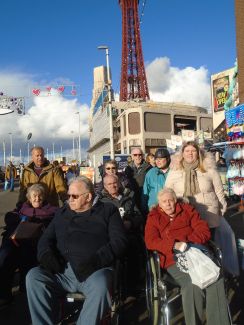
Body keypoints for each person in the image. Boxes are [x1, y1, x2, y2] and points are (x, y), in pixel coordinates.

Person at [26, 176, 128, 325]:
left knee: (101, 284)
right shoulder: (62, 213)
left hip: (95, 271)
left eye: (74, 196)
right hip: (63, 271)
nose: (69, 199)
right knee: (34, 276)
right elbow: (45, 239)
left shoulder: (107, 211)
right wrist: (47, 256)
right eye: (68, 196)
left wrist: (96, 261)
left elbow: (119, 241)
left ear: (88, 197)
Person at [145, 188, 231, 325]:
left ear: (176, 200)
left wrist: (186, 241)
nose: (168, 204)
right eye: (164, 202)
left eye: (171, 200)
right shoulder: (154, 217)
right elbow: (151, 241)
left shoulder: (187, 210)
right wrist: (173, 245)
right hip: (172, 259)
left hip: (195, 253)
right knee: (191, 284)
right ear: (159, 204)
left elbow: (204, 231)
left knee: (216, 278)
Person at [0, 184, 57, 308]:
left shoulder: (52, 211)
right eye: (34, 196)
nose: (37, 198)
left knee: (29, 255)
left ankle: (27, 289)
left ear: (44, 197)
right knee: (5, 256)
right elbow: (9, 219)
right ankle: (5, 294)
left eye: (40, 196)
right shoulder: (21, 209)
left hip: (38, 244)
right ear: (29, 199)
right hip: (18, 243)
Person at [165, 141, 227, 239]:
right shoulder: (174, 171)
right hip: (183, 215)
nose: (190, 153)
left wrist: (222, 208)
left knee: (209, 245)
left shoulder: (209, 169)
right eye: (187, 151)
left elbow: (219, 191)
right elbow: (167, 192)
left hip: (208, 214)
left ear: (198, 153)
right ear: (182, 154)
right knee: (189, 246)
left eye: (193, 151)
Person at [98, 174, 144, 298]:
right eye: (109, 184)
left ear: (118, 183)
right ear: (105, 186)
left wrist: (131, 222)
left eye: (114, 183)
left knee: (134, 247)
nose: (113, 186)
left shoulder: (128, 198)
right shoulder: (101, 202)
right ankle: (111, 286)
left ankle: (131, 286)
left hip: (128, 233)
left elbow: (139, 216)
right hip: (110, 236)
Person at [142, 148, 171, 214]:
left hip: (170, 208)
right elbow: (145, 192)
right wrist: (144, 209)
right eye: (156, 159)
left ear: (168, 159)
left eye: (160, 159)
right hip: (154, 209)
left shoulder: (174, 172)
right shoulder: (151, 173)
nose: (158, 161)